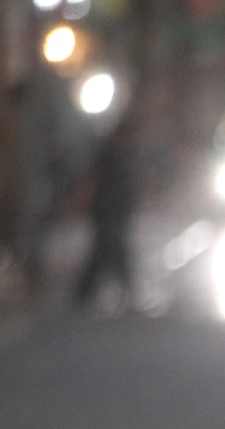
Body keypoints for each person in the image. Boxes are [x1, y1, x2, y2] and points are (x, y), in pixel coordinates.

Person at [74, 115, 138, 311]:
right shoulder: (108, 155)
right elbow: (93, 181)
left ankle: (87, 292)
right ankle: (86, 292)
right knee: (108, 249)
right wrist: (82, 200)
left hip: (118, 211)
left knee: (109, 250)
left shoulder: (124, 156)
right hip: (106, 211)